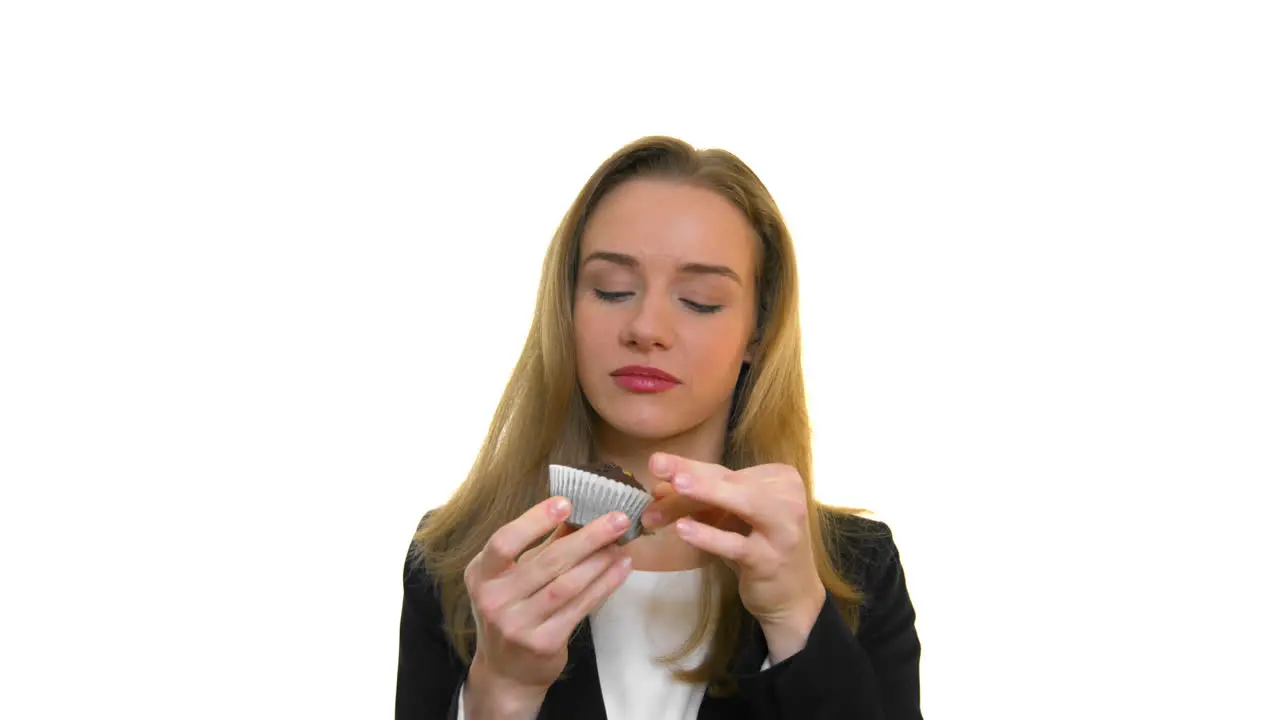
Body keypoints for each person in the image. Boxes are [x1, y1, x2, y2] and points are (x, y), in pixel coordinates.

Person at [396, 136, 923, 719]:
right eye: (612, 290)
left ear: (758, 332)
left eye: (699, 301)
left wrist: (797, 621)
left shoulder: (856, 570)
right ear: (566, 309)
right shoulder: (457, 559)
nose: (647, 327)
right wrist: (502, 692)